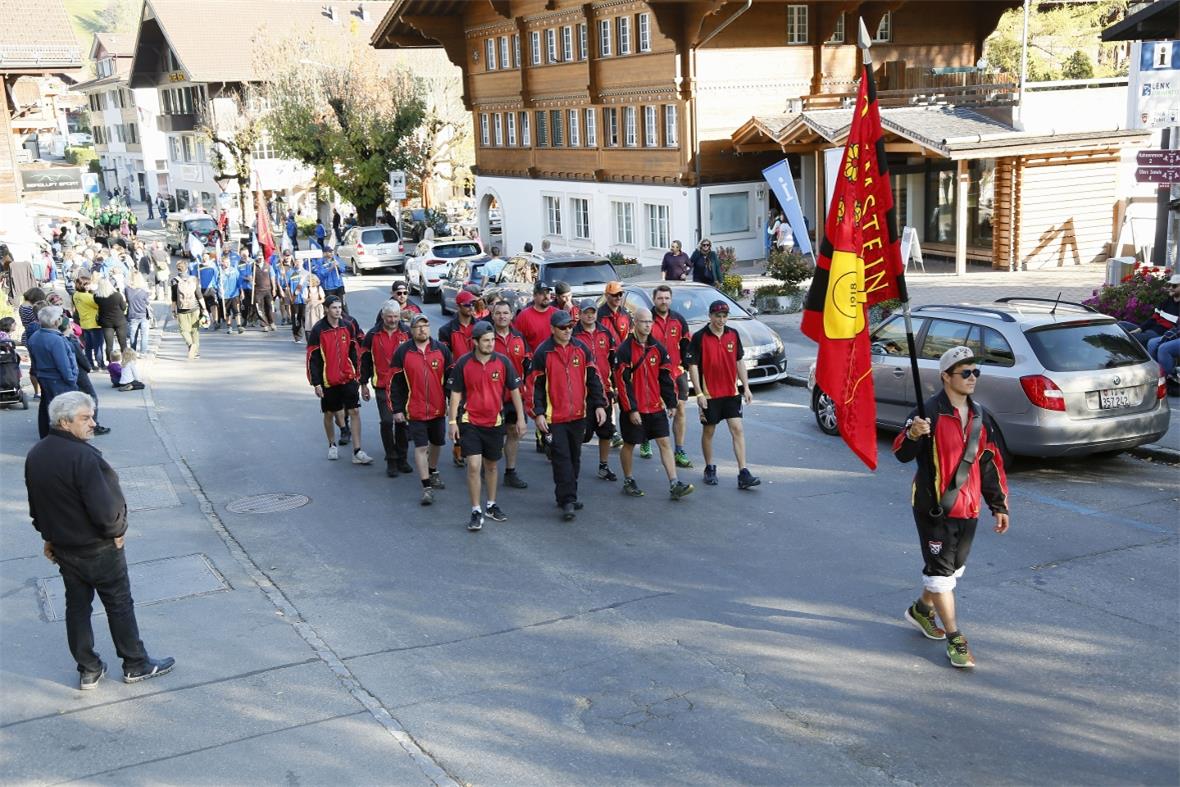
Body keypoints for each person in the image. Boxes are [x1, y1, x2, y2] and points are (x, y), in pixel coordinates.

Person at [24, 390, 174, 689]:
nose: (93, 423)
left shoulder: (36, 454)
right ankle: (135, 663)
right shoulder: (83, 456)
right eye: (85, 418)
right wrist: (117, 531)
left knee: (77, 607)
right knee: (118, 603)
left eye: (92, 416)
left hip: (65, 548)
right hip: (98, 548)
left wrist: (49, 538)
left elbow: (36, 506)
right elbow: (105, 511)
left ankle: (88, 669)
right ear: (65, 423)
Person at [894, 346, 1010, 669]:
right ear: (946, 377)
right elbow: (902, 452)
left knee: (951, 570)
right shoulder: (926, 413)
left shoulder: (981, 416)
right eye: (965, 373)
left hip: (968, 507)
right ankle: (955, 639)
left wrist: (998, 505)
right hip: (933, 509)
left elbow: (990, 463)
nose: (972, 378)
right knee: (942, 574)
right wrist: (913, 433)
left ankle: (921, 609)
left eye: (975, 372)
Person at [447, 321, 527, 531]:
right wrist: (453, 420)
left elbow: (515, 390)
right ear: (475, 342)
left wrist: (521, 418)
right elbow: (455, 394)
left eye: (492, 340)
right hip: (470, 422)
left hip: (494, 422)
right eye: (486, 341)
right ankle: (476, 510)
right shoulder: (463, 364)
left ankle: (491, 505)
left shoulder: (503, 362)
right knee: (474, 466)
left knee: (491, 466)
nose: (491, 344)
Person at [531, 310, 607, 520]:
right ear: (552, 329)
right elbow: (535, 387)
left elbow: (594, 379)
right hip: (554, 417)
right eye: (562, 327)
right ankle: (568, 500)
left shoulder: (581, 349)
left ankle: (564, 494)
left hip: (578, 414)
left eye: (570, 327)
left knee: (575, 457)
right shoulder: (542, 353)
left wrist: (600, 405)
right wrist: (537, 413)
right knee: (562, 457)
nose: (567, 331)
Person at [614, 308, 694, 500]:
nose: (648, 325)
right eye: (644, 322)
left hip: (655, 406)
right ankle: (628, 479)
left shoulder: (658, 348)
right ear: (635, 324)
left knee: (665, 442)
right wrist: (631, 409)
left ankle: (674, 483)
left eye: (650, 322)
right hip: (635, 409)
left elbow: (666, 377)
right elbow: (622, 383)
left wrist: (671, 403)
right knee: (630, 444)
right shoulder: (624, 350)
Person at [689, 299, 759, 489]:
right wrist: (699, 393)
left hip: (730, 392)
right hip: (710, 394)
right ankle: (709, 468)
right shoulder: (699, 337)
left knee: (737, 429)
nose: (721, 320)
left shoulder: (733, 334)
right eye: (717, 316)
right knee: (709, 431)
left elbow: (739, 362)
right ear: (710, 316)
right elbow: (693, 366)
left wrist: (746, 387)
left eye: (724, 316)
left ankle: (743, 472)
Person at [390, 313, 453, 505]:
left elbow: (451, 379)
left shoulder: (441, 350)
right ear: (411, 329)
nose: (422, 329)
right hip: (415, 408)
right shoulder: (403, 352)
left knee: (437, 443)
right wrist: (397, 409)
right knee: (421, 446)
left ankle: (433, 471)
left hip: (438, 407)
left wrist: (452, 403)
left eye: (425, 326)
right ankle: (426, 486)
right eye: (418, 326)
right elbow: (395, 384)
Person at [307, 296, 371, 464]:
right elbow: (312, 358)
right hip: (329, 380)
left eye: (339, 307)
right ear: (326, 309)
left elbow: (354, 350)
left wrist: (357, 374)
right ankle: (332, 445)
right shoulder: (318, 330)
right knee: (329, 413)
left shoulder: (348, 326)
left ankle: (357, 451)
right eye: (334, 308)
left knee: (355, 411)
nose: (338, 310)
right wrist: (316, 383)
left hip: (348, 378)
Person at [360, 300, 412, 477]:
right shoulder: (372, 335)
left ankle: (402, 458)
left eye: (396, 316)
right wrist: (363, 384)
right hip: (382, 385)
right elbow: (365, 361)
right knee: (387, 421)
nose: (392, 320)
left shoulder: (406, 333)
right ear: (383, 316)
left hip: (404, 386)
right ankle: (391, 458)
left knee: (402, 422)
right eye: (389, 316)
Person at [572, 298, 619, 482]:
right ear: (580, 313)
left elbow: (613, 361)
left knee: (605, 430)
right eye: (586, 312)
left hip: (603, 390)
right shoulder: (573, 334)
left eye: (592, 312)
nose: (590, 315)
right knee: (582, 434)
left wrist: (614, 387)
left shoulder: (605, 333)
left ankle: (604, 466)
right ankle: (567, 460)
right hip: (580, 392)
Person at [490, 300, 530, 489]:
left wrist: (527, 392)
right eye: (498, 313)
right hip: (491, 397)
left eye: (506, 313)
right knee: (493, 434)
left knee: (513, 432)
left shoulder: (519, 338)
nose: (502, 316)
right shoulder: (486, 338)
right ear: (493, 315)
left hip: (514, 396)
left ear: (512, 315)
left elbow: (528, 367)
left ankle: (510, 472)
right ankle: (488, 465)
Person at [26, 305, 78, 438]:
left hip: (44, 376)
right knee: (61, 410)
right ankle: (60, 437)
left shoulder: (35, 337)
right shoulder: (56, 340)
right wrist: (71, 379)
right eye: (60, 317)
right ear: (56, 322)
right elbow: (63, 364)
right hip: (57, 378)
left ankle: (46, 435)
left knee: (46, 406)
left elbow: (34, 361)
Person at [171, 261, 208, 360]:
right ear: (187, 268)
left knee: (184, 330)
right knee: (195, 331)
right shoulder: (194, 279)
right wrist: (204, 309)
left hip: (182, 309)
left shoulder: (174, 281)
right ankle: (195, 352)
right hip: (195, 308)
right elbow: (199, 295)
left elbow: (174, 298)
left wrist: (173, 311)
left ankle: (190, 344)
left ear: (177, 269)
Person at [93, 277, 129, 363]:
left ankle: (110, 362)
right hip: (120, 321)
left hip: (106, 323)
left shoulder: (96, 297)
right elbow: (123, 307)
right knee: (123, 343)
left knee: (109, 345)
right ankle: (126, 361)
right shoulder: (117, 295)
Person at [73, 276, 104, 369]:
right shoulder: (88, 296)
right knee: (98, 346)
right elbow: (99, 305)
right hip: (94, 323)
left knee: (88, 346)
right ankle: (100, 363)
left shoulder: (76, 295)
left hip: (84, 323)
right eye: (86, 284)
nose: (89, 286)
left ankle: (90, 363)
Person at [124, 272, 152, 354]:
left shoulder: (127, 290)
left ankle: (133, 352)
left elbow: (127, 300)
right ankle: (143, 353)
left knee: (133, 335)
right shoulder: (144, 291)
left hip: (132, 315)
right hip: (143, 315)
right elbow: (147, 302)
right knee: (144, 335)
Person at [216, 254, 243, 335]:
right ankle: (229, 326)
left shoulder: (234, 270)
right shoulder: (219, 272)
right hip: (225, 295)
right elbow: (216, 283)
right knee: (227, 313)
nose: (227, 264)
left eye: (228, 262)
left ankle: (239, 326)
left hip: (234, 294)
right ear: (222, 263)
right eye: (225, 262)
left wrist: (241, 291)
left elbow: (239, 281)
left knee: (236, 311)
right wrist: (219, 290)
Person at [252, 252, 278, 331]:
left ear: (263, 257)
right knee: (259, 308)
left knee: (270, 307)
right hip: (258, 291)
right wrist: (250, 280)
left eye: (261, 256)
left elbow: (273, 277)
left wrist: (274, 288)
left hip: (268, 290)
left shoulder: (268, 266)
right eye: (258, 257)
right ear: (256, 258)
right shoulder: (252, 267)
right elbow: (249, 275)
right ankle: (264, 325)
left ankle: (272, 322)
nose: (260, 258)